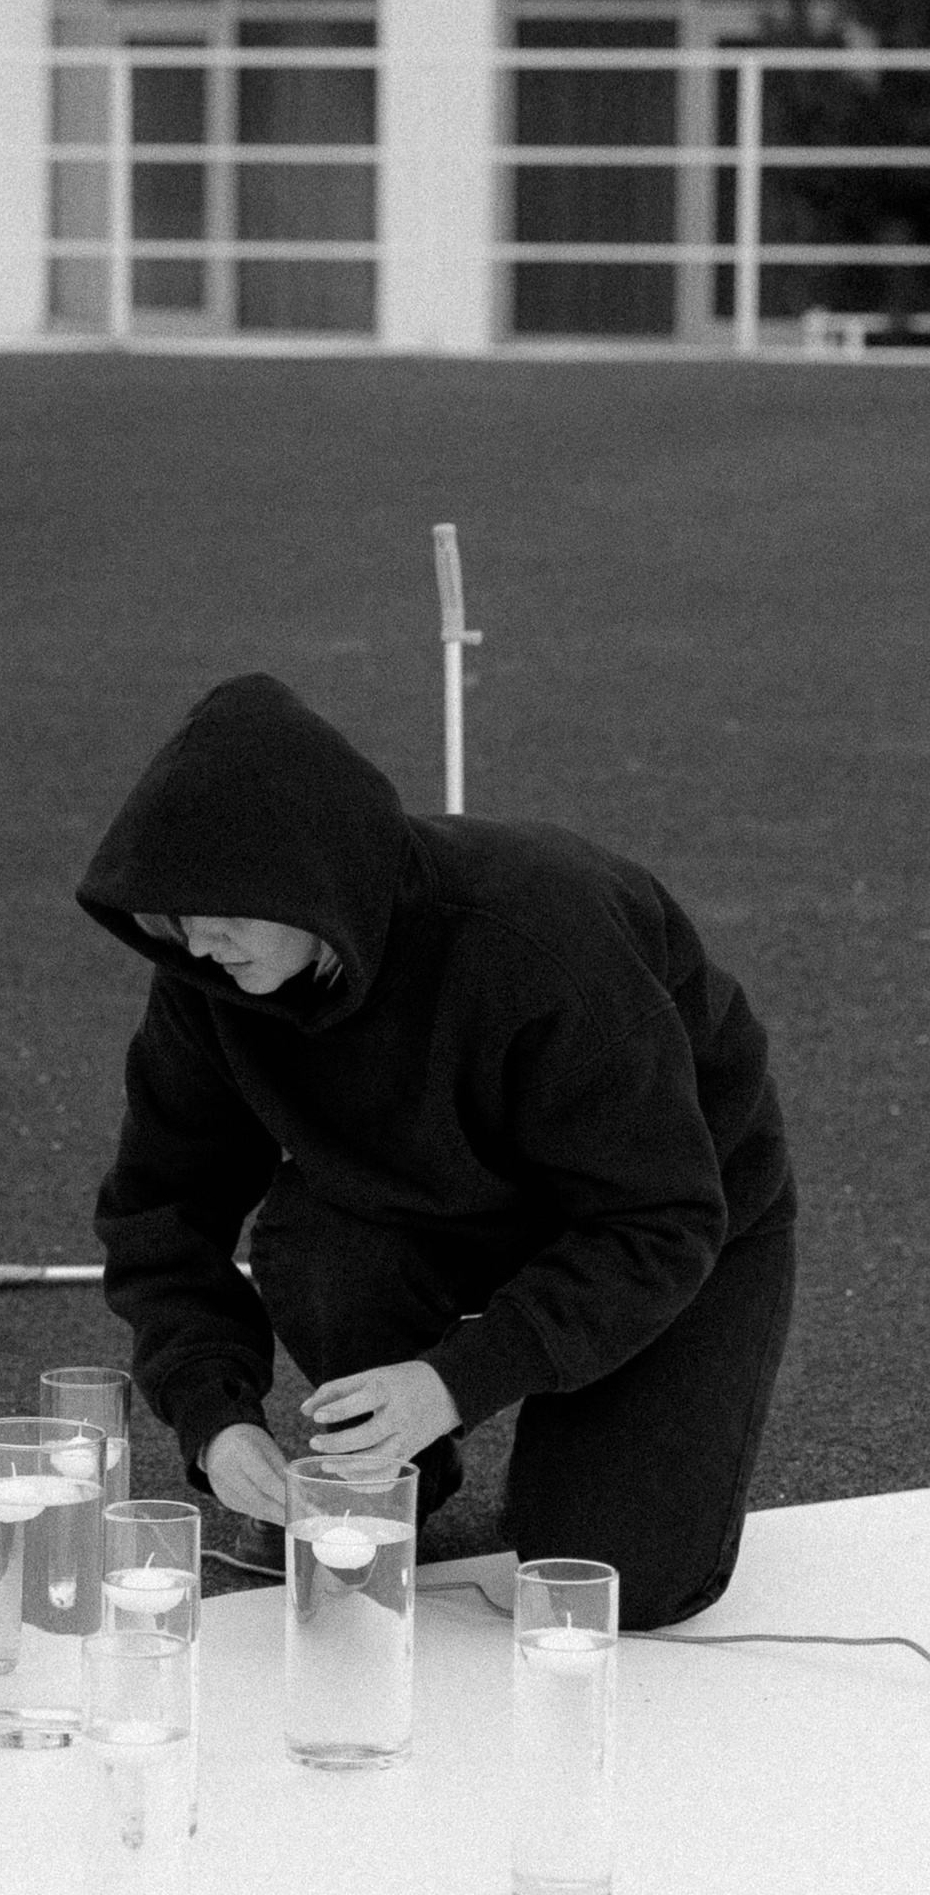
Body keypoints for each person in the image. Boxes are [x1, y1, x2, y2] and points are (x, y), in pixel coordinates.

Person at [77, 673, 795, 1631]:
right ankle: (401, 1470)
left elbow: (661, 1217)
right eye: (174, 916)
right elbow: (161, 1212)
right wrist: (213, 1417)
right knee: (320, 1248)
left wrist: (458, 1377)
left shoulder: (540, 946)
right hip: (423, 1200)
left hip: (672, 1212)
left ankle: (458, 1422)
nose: (199, 944)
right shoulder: (208, 979)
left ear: (308, 884)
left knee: (616, 1579)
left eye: (223, 914)